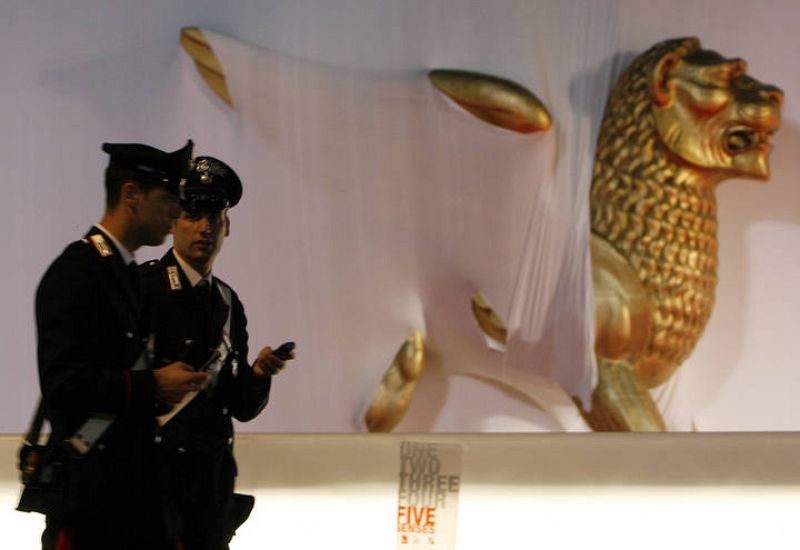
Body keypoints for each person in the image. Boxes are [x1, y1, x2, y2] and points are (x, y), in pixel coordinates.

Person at [33, 140, 210, 550]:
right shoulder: (77, 272)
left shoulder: (127, 275)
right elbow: (63, 385)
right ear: (131, 195)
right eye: (168, 198)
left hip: (133, 498)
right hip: (91, 504)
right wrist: (150, 385)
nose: (176, 212)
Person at [141, 155, 294, 550]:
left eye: (214, 217)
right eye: (193, 215)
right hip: (150, 488)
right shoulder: (141, 289)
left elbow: (238, 405)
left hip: (208, 492)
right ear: (174, 220)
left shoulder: (227, 302)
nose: (204, 228)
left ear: (228, 227)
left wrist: (259, 373)